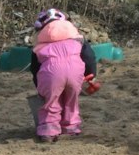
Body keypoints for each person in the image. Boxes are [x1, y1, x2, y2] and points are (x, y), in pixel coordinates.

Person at [29, 8, 96, 142]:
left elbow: (35, 69)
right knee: (71, 100)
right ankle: (70, 127)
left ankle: (49, 129)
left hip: (50, 73)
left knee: (50, 102)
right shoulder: (78, 40)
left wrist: (40, 88)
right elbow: (89, 57)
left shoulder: (39, 45)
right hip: (75, 72)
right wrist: (91, 74)